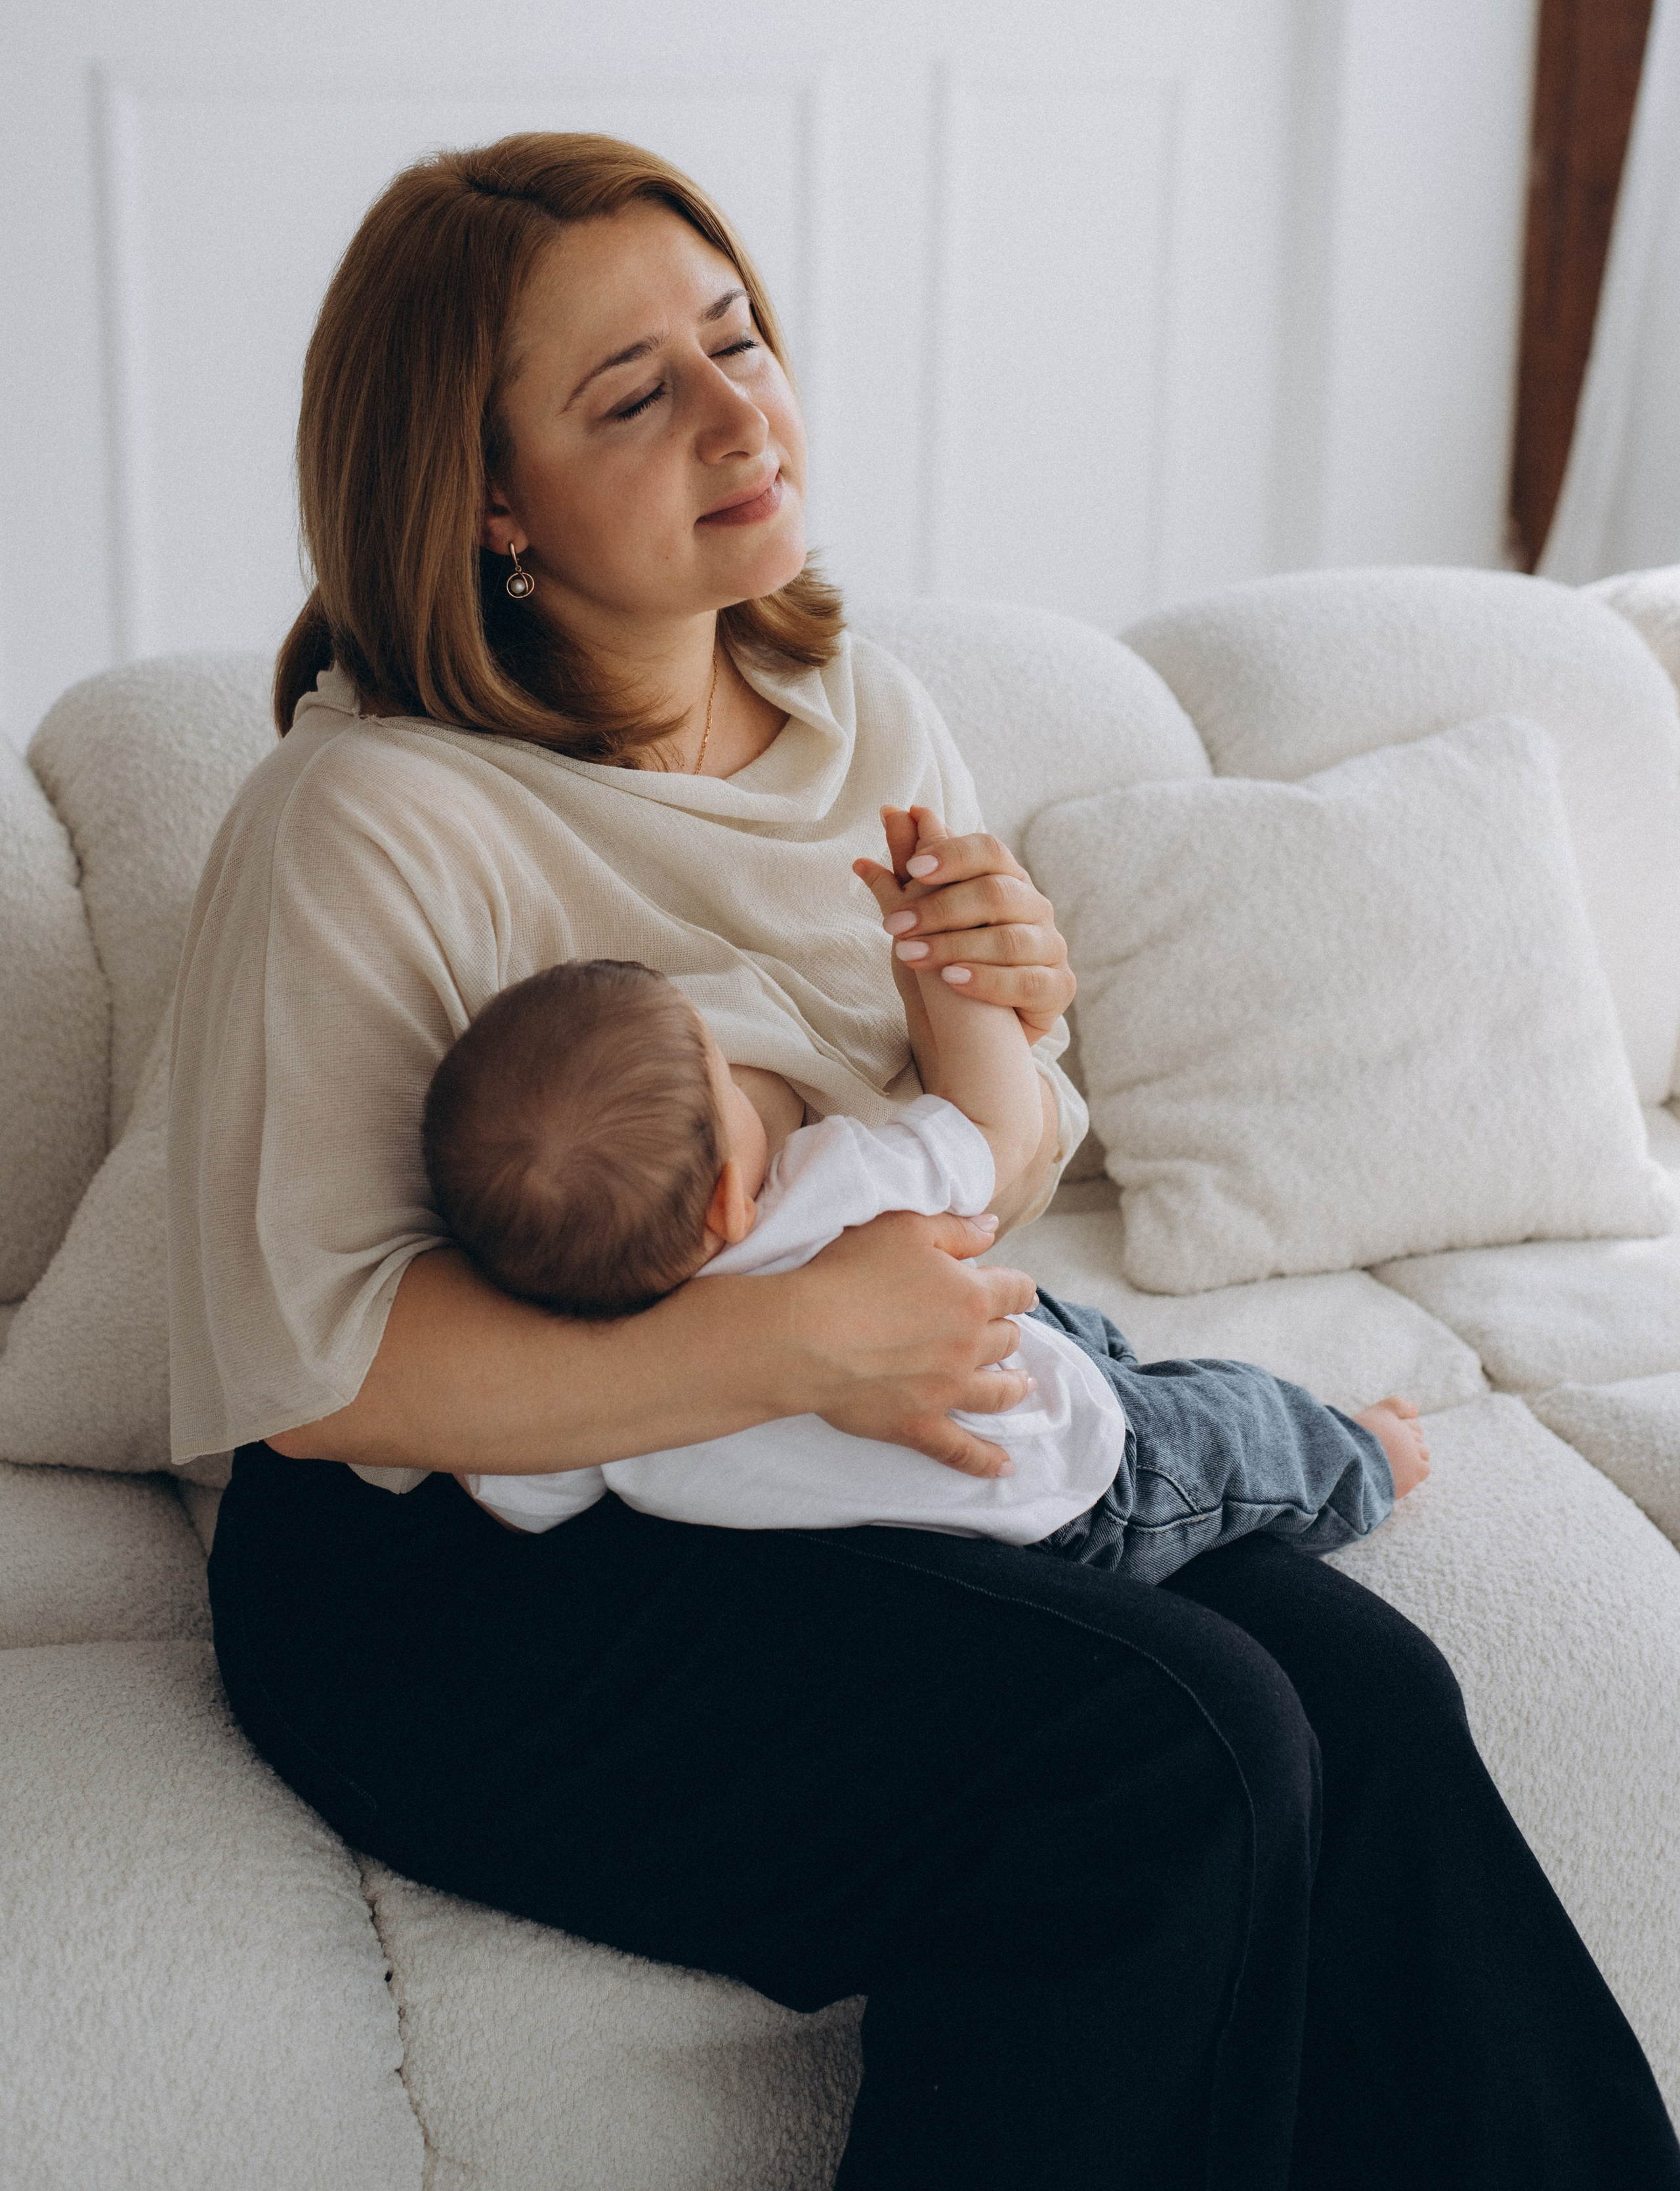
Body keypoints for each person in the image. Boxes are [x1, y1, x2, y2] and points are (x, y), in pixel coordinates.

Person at [171, 130, 1680, 2189]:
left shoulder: (865, 717)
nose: (738, 408)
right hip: (468, 1577)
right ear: (487, 498)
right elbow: (328, 1373)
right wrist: (793, 1348)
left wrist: (1014, 1023)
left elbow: (983, 1169)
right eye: (636, 392)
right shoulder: (368, 819)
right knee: (1179, 1755)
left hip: (831, 1443)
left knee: (1373, 1695)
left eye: (738, 336)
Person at [425, 883, 1420, 1571]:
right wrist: (948, 970)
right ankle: (1366, 1459)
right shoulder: (825, 1188)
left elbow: (516, 1499)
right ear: (730, 1201)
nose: (743, 1072)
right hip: (1071, 1484)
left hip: (923, 1541)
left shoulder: (575, 1409)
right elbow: (998, 1124)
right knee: (1229, 1428)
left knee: (1074, 1329)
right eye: (725, 1075)